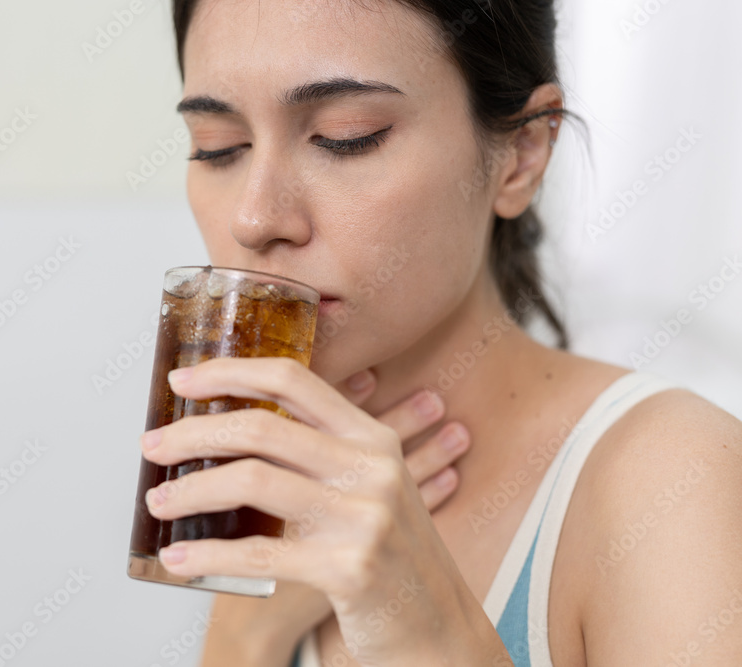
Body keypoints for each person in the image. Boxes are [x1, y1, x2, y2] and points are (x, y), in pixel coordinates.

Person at [137, 0, 742, 664]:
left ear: (522, 154)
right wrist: (244, 635)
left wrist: (429, 638)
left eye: (346, 136)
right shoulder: (273, 497)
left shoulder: (674, 482)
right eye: (218, 146)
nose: (254, 219)